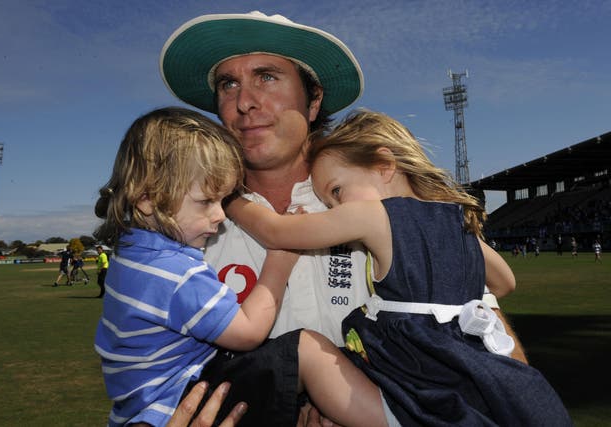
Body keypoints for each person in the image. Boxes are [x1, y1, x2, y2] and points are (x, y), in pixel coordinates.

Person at [160, 10, 527, 424]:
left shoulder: (363, 196)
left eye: (267, 76)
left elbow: (494, 344)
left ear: (313, 101)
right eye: (229, 84)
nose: (245, 102)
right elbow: (144, 367)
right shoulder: (179, 224)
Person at [227, 110, 572, 426]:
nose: (334, 208)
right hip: (467, 384)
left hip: (413, 394)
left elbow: (274, 231)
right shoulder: (456, 225)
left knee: (305, 349)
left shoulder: (374, 216)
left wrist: (230, 200)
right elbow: (506, 282)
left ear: (384, 165)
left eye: (336, 191)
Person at [93, 107, 393, 427]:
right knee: (306, 350)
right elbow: (248, 332)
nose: (219, 216)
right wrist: (279, 261)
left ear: (313, 100)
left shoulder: (134, 253)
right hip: (179, 403)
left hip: (150, 403)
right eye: (206, 202)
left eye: (267, 76)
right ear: (147, 199)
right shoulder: (174, 272)